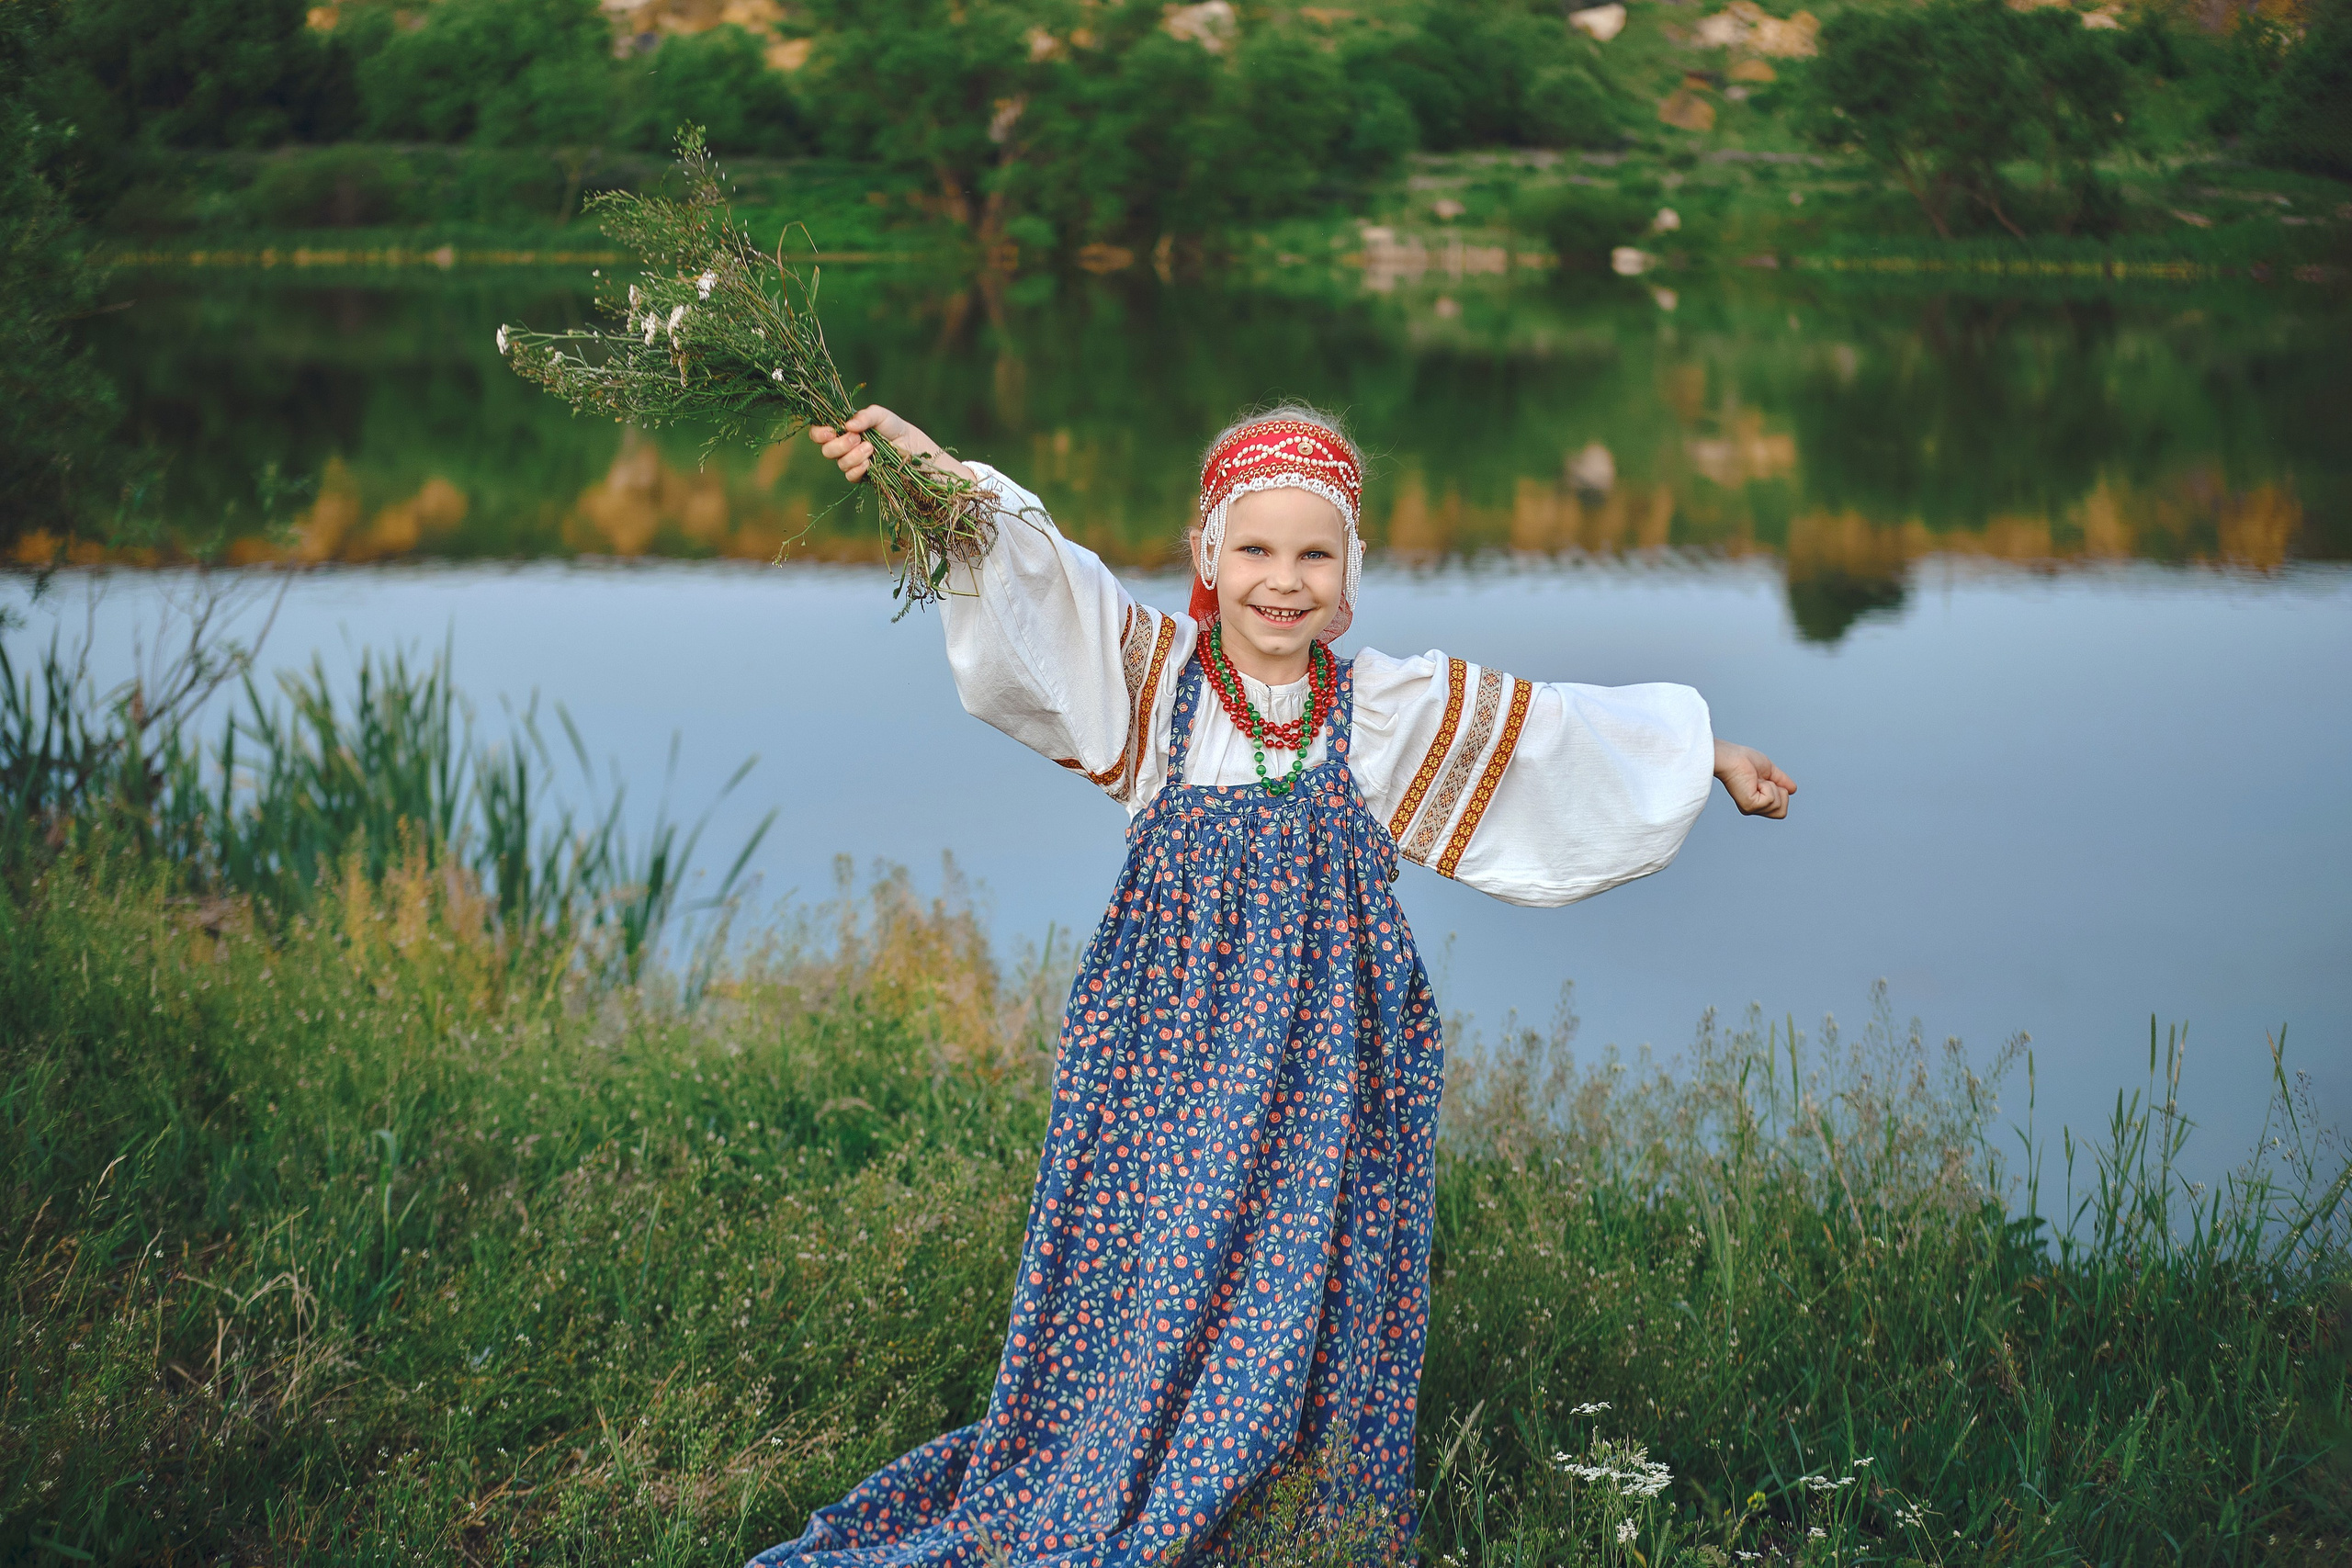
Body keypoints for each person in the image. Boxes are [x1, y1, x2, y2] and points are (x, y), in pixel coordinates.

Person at [748, 404, 1794, 1568]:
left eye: (1314, 555)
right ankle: (1124, 1456)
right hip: (1167, 1052)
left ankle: (1284, 1488)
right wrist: (928, 479)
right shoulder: (1151, 687)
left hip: (1326, 1063)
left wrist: (1703, 754)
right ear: (1206, 555)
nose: (1281, 582)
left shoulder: (1381, 710)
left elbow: (1546, 733)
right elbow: (1035, 577)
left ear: (1350, 575)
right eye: (1254, 550)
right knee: (1157, 1253)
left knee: (1309, 1265)